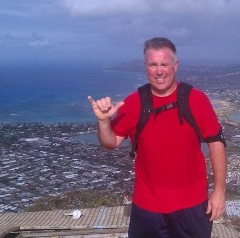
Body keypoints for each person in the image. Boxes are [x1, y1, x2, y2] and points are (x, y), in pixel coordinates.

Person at [88, 37, 227, 237]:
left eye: (164, 64)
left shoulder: (196, 100)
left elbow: (216, 144)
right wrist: (103, 122)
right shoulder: (135, 102)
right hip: (148, 208)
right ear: (145, 67)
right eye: (153, 64)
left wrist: (219, 191)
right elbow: (111, 142)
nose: (159, 71)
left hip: (192, 206)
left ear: (175, 66)